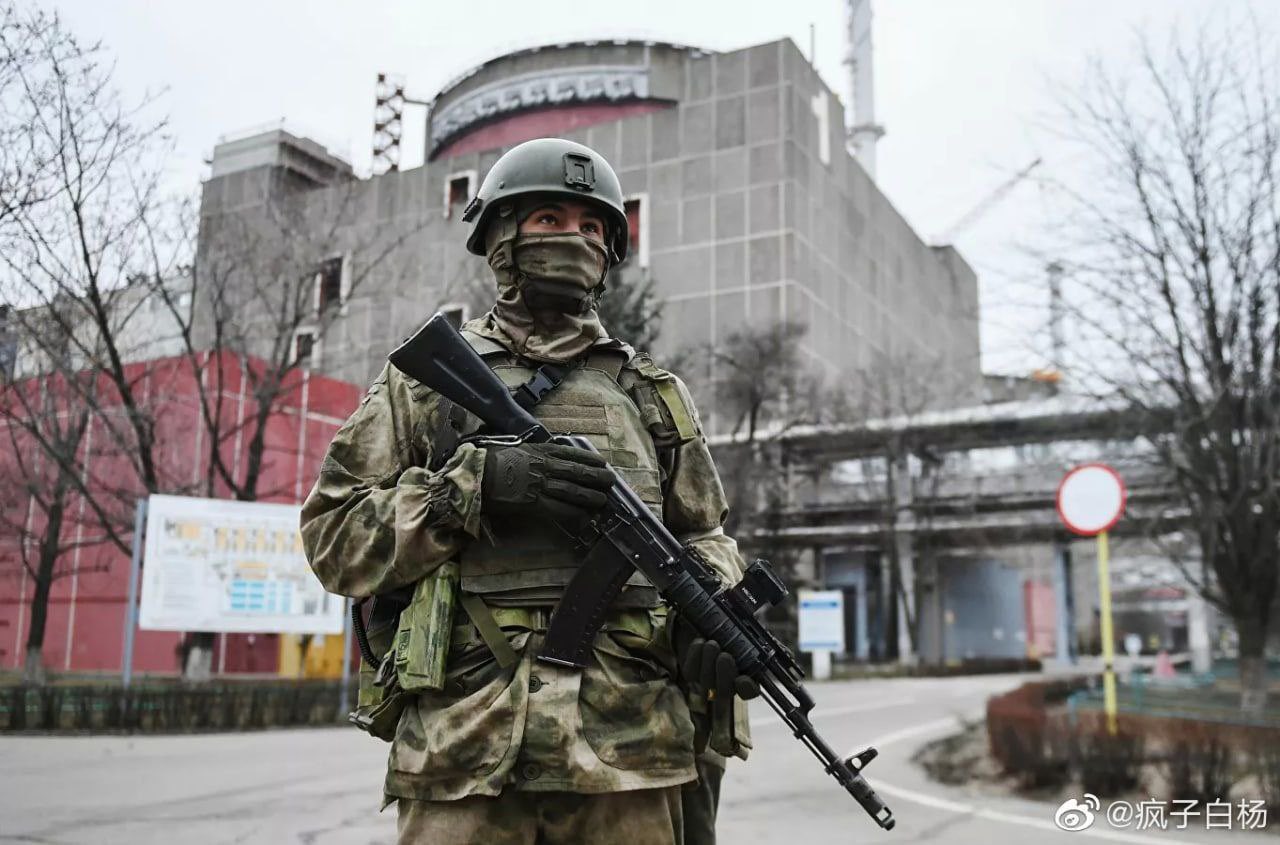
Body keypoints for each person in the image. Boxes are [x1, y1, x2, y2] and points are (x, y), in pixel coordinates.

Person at [301, 137, 751, 845]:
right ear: (501, 237)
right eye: (549, 218)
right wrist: (470, 489)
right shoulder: (423, 385)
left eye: (591, 225)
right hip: (464, 750)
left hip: (629, 758)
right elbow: (333, 537)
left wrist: (712, 603)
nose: (573, 237)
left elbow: (707, 536)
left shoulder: (655, 397)